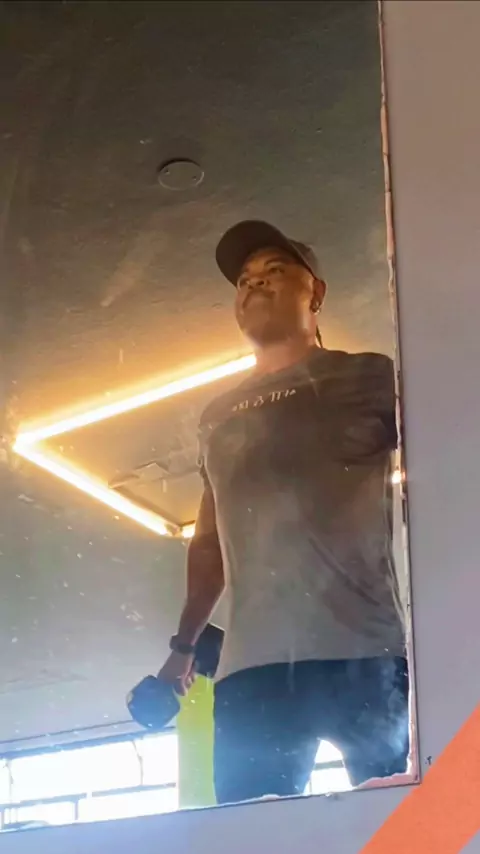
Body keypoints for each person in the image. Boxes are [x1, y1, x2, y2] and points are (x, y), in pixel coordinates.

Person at [158, 220, 409, 805]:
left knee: (404, 829)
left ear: (315, 292)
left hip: (365, 653)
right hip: (253, 667)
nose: (255, 284)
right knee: (253, 838)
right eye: (245, 280)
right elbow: (209, 542)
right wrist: (183, 646)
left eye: (275, 271)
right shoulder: (216, 416)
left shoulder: (370, 376)